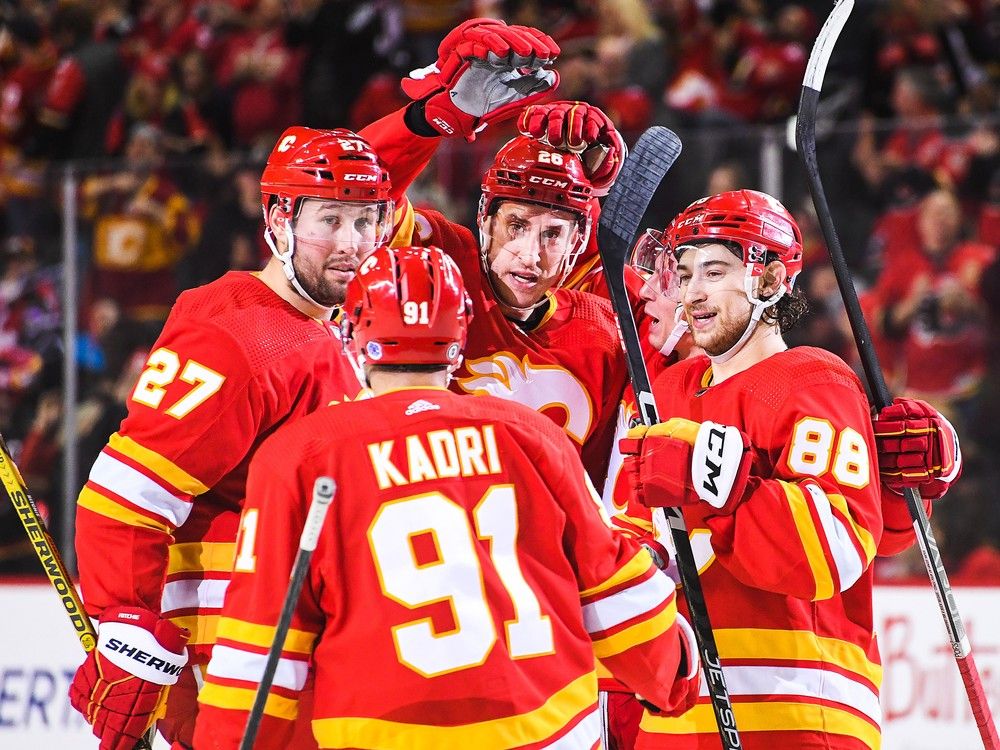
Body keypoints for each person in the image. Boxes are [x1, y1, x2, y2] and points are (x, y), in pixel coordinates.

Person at [192, 245, 700, 750]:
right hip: (545, 732)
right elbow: (609, 580)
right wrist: (673, 672)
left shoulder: (298, 457)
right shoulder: (531, 435)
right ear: (458, 340)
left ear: (350, 334)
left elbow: (260, 651)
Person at [68, 126, 398, 750]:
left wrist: (424, 120)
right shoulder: (238, 340)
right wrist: (128, 637)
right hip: (240, 665)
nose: (353, 244)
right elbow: (123, 501)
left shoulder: (322, 327)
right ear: (277, 218)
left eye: (366, 221)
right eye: (330, 220)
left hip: (303, 646)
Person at [617, 190, 884, 749]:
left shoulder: (812, 380)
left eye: (715, 271)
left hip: (799, 711)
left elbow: (835, 549)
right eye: (686, 274)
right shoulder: (667, 391)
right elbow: (640, 544)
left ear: (769, 282)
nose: (693, 293)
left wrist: (718, 481)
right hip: (676, 713)